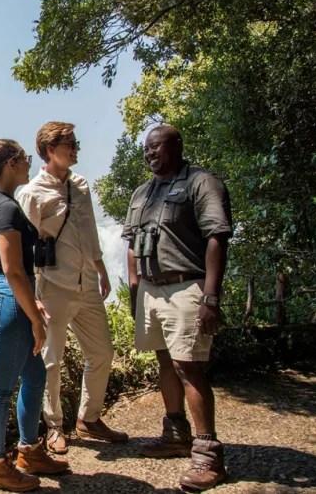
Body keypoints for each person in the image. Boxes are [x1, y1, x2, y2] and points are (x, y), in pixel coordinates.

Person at [122, 126, 232, 491]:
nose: (150, 154)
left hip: (187, 286)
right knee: (165, 361)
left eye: (156, 147)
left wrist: (210, 297)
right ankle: (175, 435)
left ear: (177, 146)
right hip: (152, 292)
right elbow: (131, 246)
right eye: (146, 149)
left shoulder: (202, 183)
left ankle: (208, 456)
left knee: (190, 368)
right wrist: (135, 289)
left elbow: (217, 237)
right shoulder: (143, 192)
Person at [17, 121, 128, 455]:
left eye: (76, 143)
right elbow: (23, 246)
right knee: (51, 360)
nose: (77, 148)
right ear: (50, 150)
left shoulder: (80, 185)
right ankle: (53, 427)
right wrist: (32, 295)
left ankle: (89, 418)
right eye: (70, 144)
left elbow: (90, 232)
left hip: (87, 285)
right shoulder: (31, 193)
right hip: (52, 287)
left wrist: (102, 269)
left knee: (102, 353)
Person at [0, 133, 69, 492]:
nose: (30, 163)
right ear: (12, 163)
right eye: (26, 158)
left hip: (13, 296)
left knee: (34, 377)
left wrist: (32, 301)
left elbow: (15, 272)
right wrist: (33, 317)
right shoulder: (7, 208)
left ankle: (29, 451)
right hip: (9, 300)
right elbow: (13, 269)